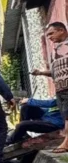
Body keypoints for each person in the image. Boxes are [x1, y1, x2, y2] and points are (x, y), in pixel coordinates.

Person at [29, 22, 68, 153]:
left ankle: (66, 143)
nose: (49, 37)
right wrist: (40, 72)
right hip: (61, 90)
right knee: (66, 116)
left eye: (51, 33)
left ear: (61, 30)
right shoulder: (54, 52)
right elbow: (53, 72)